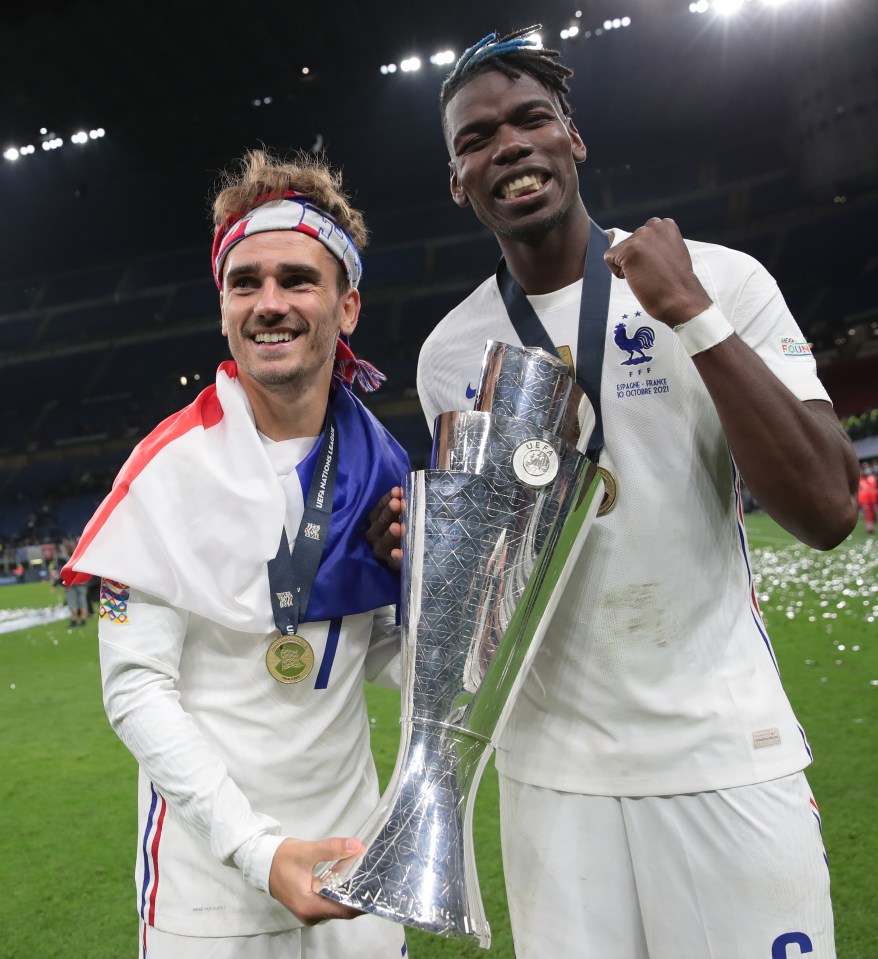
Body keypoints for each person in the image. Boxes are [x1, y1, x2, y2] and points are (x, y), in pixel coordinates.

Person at [370, 26, 860, 959]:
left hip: (721, 753)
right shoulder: (450, 354)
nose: (507, 145)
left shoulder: (719, 277)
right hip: (552, 782)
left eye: (531, 119)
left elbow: (830, 509)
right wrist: (436, 546)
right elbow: (484, 598)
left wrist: (694, 319)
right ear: (457, 180)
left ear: (573, 140)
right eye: (475, 139)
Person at [63, 149, 410, 959]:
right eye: (244, 282)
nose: (269, 303)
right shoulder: (161, 476)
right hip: (208, 895)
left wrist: (435, 588)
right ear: (222, 308)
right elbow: (136, 691)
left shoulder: (385, 467)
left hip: (356, 874)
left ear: (347, 304)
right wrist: (259, 851)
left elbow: (390, 658)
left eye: (297, 279)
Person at [858, 460, 877, 533]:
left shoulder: (872, 477)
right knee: (868, 514)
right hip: (865, 500)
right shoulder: (860, 479)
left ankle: (872, 526)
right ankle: (869, 529)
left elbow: (873, 487)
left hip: (873, 499)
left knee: (873, 514)